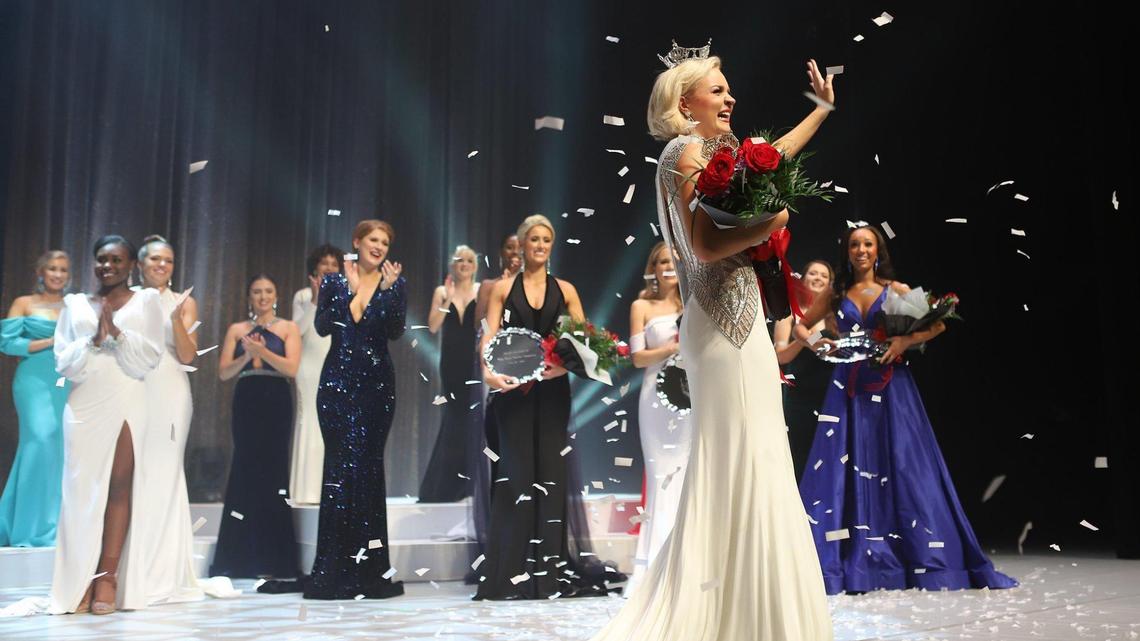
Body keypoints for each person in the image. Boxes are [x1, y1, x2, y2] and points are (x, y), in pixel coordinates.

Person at [590, 46, 834, 640]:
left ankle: (753, 611)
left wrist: (821, 110)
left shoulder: (715, 152)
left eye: (728, 90)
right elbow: (702, 247)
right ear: (685, 102)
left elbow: (770, 158)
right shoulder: (683, 150)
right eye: (717, 91)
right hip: (722, 325)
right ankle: (727, 615)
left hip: (741, 324)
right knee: (736, 463)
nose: (730, 99)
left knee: (759, 458)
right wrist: (770, 226)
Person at [795, 225, 1018, 594]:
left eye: (867, 243)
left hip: (892, 386)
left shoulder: (895, 290)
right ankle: (847, 557)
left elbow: (939, 324)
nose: (861, 250)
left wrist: (903, 341)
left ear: (877, 250)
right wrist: (822, 346)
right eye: (854, 244)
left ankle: (912, 554)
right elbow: (802, 327)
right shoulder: (836, 294)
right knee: (844, 467)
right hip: (847, 388)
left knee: (901, 464)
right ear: (847, 252)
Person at [474, 214, 615, 600]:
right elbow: (488, 338)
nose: (539, 245)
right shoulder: (502, 288)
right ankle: (509, 574)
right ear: (521, 244)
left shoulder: (566, 289)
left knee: (550, 476)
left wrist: (561, 367)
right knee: (515, 477)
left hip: (552, 393)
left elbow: (588, 344)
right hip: (513, 392)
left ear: (552, 246)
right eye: (533, 239)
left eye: (546, 240)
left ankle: (546, 578)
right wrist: (489, 376)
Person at [50, 236, 164, 614]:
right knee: (81, 494)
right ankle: (77, 578)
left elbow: (149, 357)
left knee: (118, 486)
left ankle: (107, 577)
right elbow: (63, 361)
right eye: (101, 259)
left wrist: (117, 334)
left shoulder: (146, 301)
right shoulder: (75, 304)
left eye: (116, 259)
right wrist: (92, 340)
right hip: (84, 402)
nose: (107, 266)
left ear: (131, 263)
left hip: (128, 396)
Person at [304, 219, 406, 600]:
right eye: (372, 240)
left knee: (367, 470)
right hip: (337, 387)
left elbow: (394, 330)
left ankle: (369, 571)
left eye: (384, 241)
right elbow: (322, 327)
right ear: (357, 242)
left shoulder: (394, 281)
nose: (378, 246)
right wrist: (347, 288)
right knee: (340, 470)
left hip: (377, 387)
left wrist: (391, 290)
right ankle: (333, 569)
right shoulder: (333, 280)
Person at [211, 274, 300, 579]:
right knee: (245, 469)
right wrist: (247, 356)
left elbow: (291, 368)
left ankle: (276, 559)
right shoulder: (237, 330)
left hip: (276, 397)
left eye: (268, 291)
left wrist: (264, 353)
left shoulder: (288, 328)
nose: (263, 296)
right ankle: (238, 558)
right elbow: (223, 372)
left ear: (276, 295)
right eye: (257, 292)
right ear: (249, 297)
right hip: (247, 398)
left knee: (274, 471)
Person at [134, 235, 206, 603]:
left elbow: (190, 356)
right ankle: (128, 564)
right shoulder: (127, 297)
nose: (162, 266)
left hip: (170, 384)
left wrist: (177, 319)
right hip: (132, 384)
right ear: (140, 264)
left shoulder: (184, 301)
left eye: (168, 261)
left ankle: (160, 568)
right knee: (132, 473)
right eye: (155, 260)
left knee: (163, 471)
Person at [623, 241, 689, 598]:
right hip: (656, 402)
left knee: (687, 473)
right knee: (662, 474)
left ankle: (687, 560)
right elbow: (636, 358)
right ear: (652, 267)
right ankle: (654, 564)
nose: (667, 266)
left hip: (691, 400)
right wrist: (670, 349)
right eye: (661, 261)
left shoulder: (691, 305)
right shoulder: (641, 306)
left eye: (672, 260)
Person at [0, 251, 70, 547]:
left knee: (59, 447)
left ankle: (50, 525)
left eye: (63, 270)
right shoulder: (24, 303)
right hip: (32, 380)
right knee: (39, 440)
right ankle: (29, 528)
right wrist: (51, 341)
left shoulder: (73, 305)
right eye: (52, 268)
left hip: (65, 380)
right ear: (40, 272)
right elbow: (7, 343)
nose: (57, 274)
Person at [418, 245, 480, 503]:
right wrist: (447, 299)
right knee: (453, 420)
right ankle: (446, 485)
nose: (464, 264)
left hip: (474, 362)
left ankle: (471, 484)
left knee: (473, 420)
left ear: (475, 266)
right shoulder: (442, 291)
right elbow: (433, 326)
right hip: (452, 364)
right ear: (452, 265)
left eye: (468, 260)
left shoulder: (480, 291)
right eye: (459, 260)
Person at [290, 244, 344, 505]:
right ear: (315, 267)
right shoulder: (302, 295)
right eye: (325, 264)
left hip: (334, 362)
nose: (330, 268)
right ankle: (306, 489)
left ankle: (329, 487)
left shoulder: (346, 294)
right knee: (309, 419)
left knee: (333, 423)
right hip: (309, 364)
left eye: (334, 264)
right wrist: (314, 299)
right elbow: (296, 331)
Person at [772, 260, 836, 479]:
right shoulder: (790, 314)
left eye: (824, 275)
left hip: (830, 393)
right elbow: (780, 355)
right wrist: (805, 337)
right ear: (804, 278)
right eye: (813, 273)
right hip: (800, 394)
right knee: (799, 453)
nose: (818, 278)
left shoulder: (834, 316)